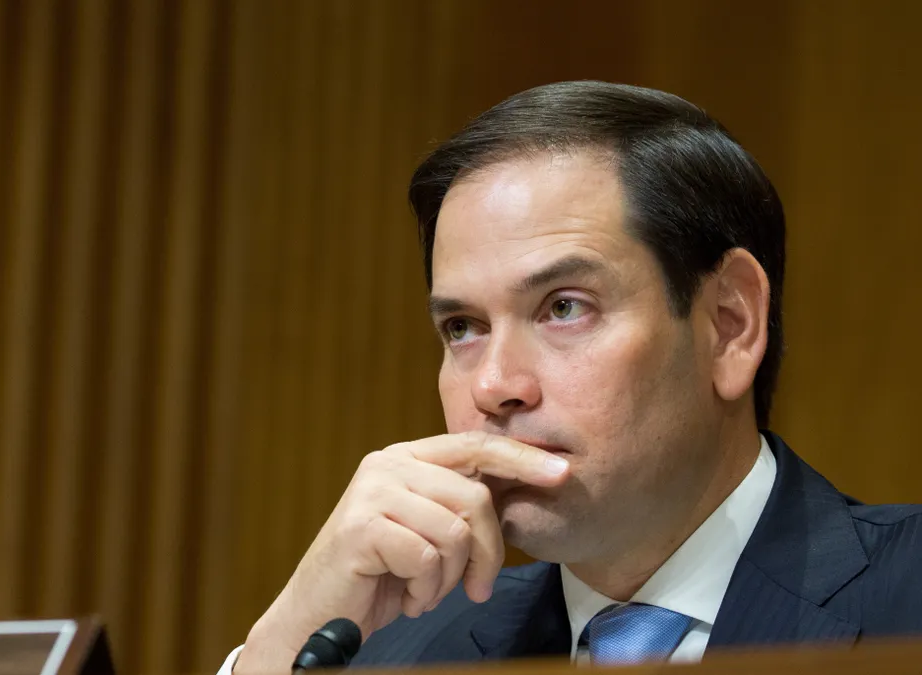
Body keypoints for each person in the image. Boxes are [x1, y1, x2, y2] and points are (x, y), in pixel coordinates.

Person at [220, 81, 922, 673]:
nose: (494, 385)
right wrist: (284, 640)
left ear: (729, 324)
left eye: (563, 308)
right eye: (461, 327)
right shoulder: (388, 652)